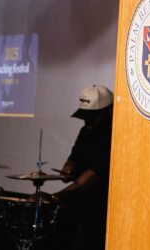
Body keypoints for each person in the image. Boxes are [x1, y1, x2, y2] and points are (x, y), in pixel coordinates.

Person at [51, 84, 114, 249]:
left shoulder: (115, 136)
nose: (87, 121)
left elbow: (93, 175)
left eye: (92, 117)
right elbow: (73, 159)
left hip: (100, 208)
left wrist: (55, 197)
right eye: (85, 117)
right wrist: (68, 168)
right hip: (80, 202)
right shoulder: (86, 131)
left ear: (109, 111)